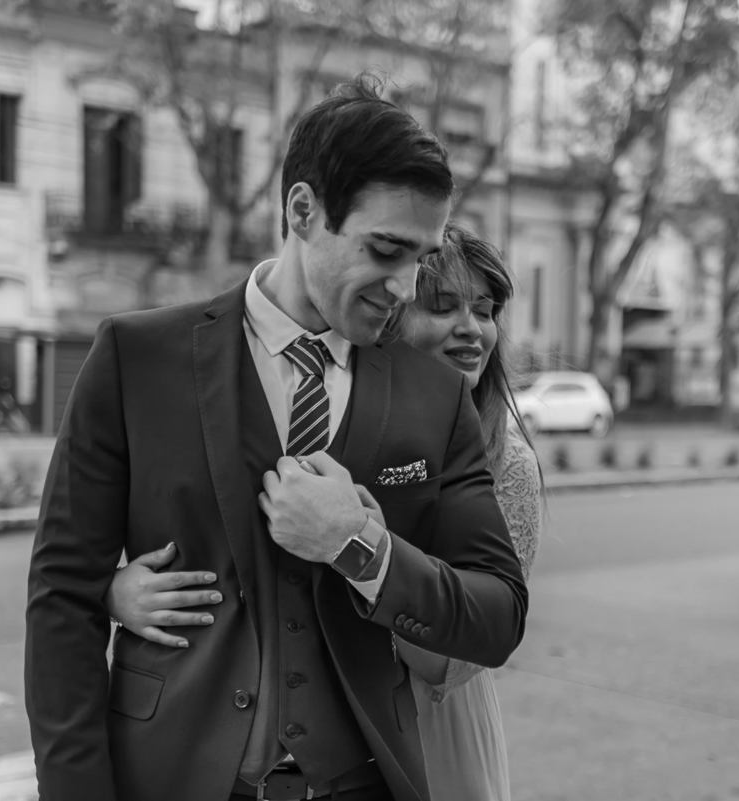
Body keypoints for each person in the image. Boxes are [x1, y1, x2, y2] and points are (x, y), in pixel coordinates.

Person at [24, 75, 527, 801]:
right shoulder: (137, 359)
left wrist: (363, 547)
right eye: (385, 249)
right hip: (167, 776)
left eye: (420, 256)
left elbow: (498, 615)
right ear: (302, 210)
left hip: (362, 783)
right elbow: (62, 599)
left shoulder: (434, 394)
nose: (405, 284)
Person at [108, 224, 543, 801]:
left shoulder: (505, 461)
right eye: (442, 306)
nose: (471, 328)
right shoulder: (311, 394)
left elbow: (460, 656)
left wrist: (359, 548)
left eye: (486, 311)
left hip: (424, 725)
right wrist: (113, 591)